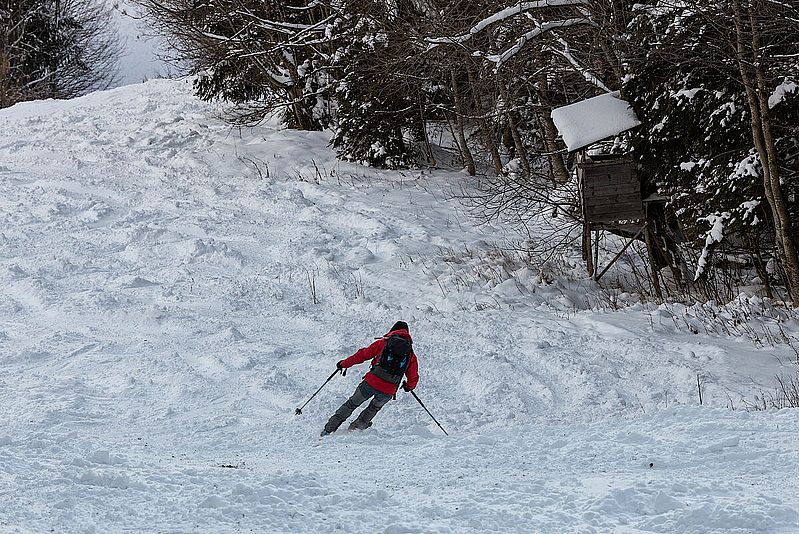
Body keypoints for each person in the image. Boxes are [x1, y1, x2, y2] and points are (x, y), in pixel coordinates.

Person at [321, 321, 419, 436]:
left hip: (371, 383)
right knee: (373, 409)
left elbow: (361, 355)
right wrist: (408, 386)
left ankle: (328, 430)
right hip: (388, 390)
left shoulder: (383, 343)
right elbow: (413, 376)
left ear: (393, 330)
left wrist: (343, 364)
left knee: (352, 404)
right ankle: (354, 431)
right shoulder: (410, 354)